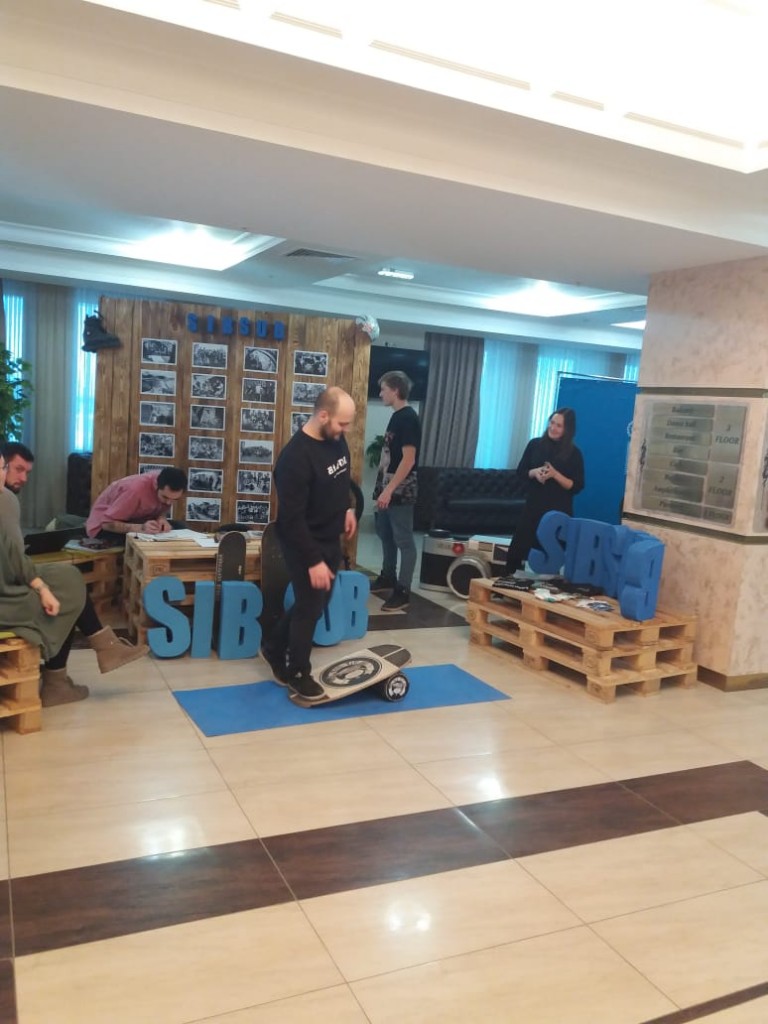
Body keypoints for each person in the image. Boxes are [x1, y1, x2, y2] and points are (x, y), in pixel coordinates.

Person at [0, 457, 149, 706]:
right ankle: (59, 682)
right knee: (66, 596)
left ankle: (103, 649)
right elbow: (14, 558)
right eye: (6, 468)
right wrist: (41, 588)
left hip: (8, 582)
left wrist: (41, 584)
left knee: (67, 576)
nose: (5, 474)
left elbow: (12, 556)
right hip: (6, 599)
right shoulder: (5, 501)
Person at [263, 387, 358, 702]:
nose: (346, 430)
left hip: (329, 535)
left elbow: (340, 479)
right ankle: (298, 673)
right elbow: (291, 520)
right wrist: (313, 560)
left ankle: (273, 646)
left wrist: (347, 509)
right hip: (301, 540)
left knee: (317, 602)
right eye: (342, 424)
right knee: (309, 606)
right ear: (323, 415)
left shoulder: (335, 439)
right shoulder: (294, 459)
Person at [503, 407, 585, 576]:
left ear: (567, 429)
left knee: (550, 556)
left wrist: (555, 475)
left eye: (559, 426)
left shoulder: (574, 454)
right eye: (551, 423)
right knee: (517, 552)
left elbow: (576, 486)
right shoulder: (535, 444)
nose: (553, 428)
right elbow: (521, 472)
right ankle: (510, 583)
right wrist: (535, 472)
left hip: (558, 511)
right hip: (533, 507)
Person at [370, 371, 421, 612]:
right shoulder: (396, 416)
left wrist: (389, 490)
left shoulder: (409, 418)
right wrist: (383, 488)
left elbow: (408, 460)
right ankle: (388, 576)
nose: (381, 393)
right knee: (384, 532)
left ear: (396, 390)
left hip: (401, 488)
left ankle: (403, 590)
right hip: (387, 485)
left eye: (384, 389)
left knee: (404, 539)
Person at [86, 467, 187, 540]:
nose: (169, 502)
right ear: (156, 485)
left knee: (181, 529)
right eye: (165, 497)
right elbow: (107, 524)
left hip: (137, 520)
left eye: (174, 499)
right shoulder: (135, 490)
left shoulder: (166, 484)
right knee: (147, 542)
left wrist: (161, 519)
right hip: (102, 528)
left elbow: (162, 509)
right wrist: (141, 528)